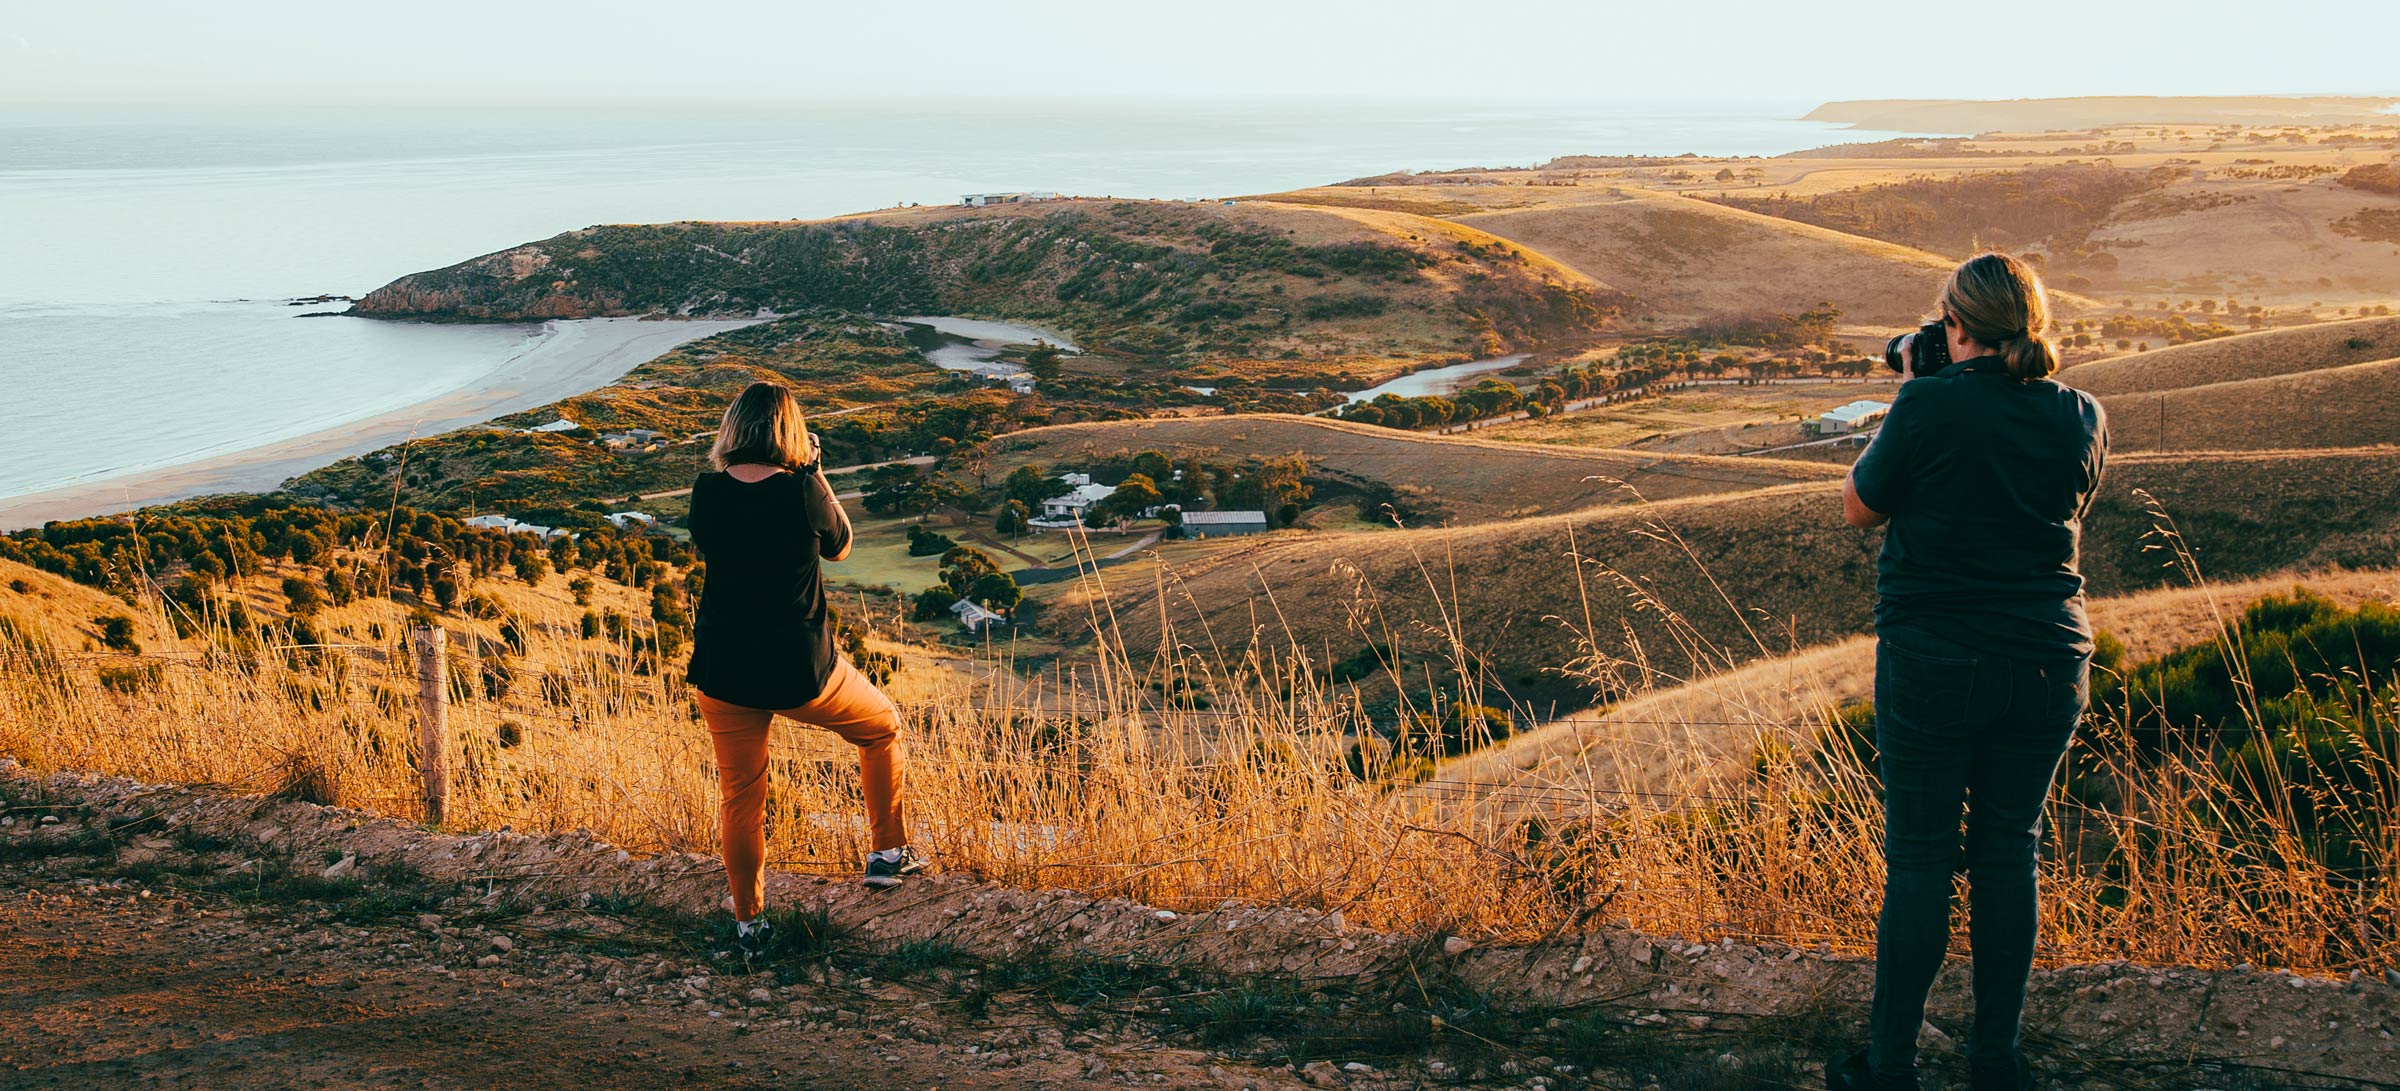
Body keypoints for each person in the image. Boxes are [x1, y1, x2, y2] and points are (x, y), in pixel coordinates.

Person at [1828, 253, 2108, 1091]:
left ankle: (1890, 1068)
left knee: (1918, 860)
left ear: (1955, 325)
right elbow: (2062, 506)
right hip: (2049, 659)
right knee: (2006, 854)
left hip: (1934, 659)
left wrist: (1913, 392)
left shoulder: (1925, 403)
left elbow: (1858, 506)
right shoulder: (2081, 413)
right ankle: (1997, 1062)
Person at [685, 381, 928, 953]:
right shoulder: (801, 490)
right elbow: (840, 545)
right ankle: (887, 855)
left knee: (741, 795)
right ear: (790, 433)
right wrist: (815, 472)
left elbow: (715, 545)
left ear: (732, 429)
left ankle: (749, 925)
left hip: (723, 667)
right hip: (800, 669)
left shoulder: (705, 492)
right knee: (883, 727)